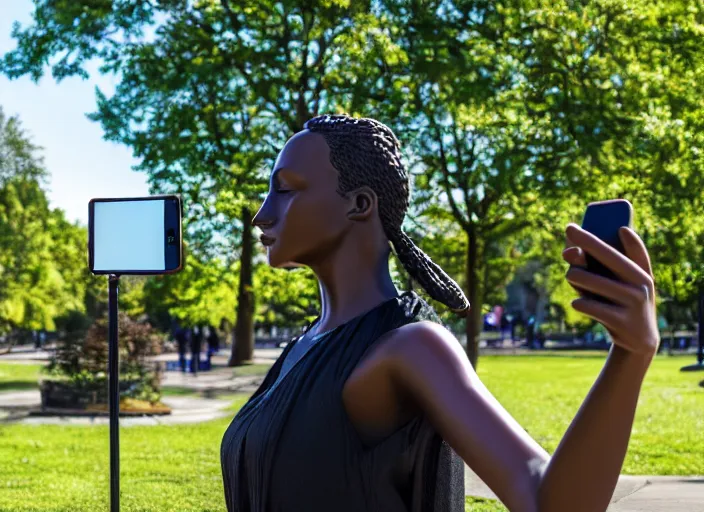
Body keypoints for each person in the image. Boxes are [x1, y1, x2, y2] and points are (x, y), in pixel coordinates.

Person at [220, 114, 660, 512]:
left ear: (359, 204)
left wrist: (630, 354)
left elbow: (551, 504)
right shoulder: (304, 344)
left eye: (285, 189)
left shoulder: (411, 347)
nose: (262, 215)